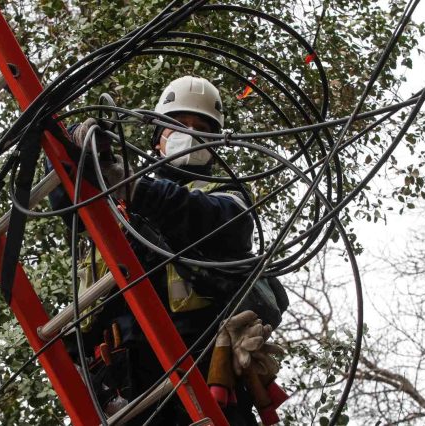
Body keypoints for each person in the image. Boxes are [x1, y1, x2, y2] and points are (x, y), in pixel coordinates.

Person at [49, 76, 289, 425]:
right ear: (156, 138)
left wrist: (129, 184)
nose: (188, 135)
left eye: (201, 128)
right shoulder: (117, 207)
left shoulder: (226, 199)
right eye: (177, 125)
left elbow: (206, 217)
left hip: (200, 380)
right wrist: (76, 139)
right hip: (122, 387)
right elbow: (66, 198)